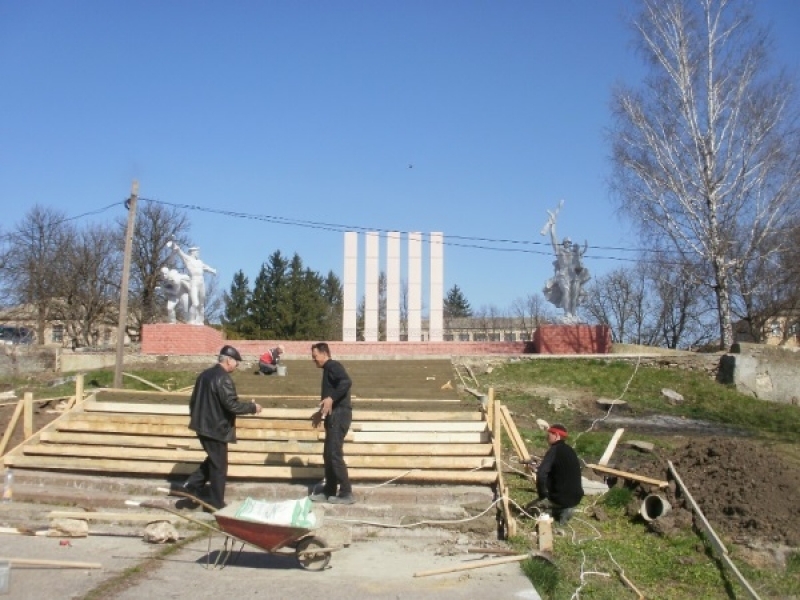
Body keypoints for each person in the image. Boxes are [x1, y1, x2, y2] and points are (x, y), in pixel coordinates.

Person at [180, 345, 262, 510]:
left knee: (214, 460)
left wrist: (196, 419)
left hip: (202, 425)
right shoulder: (223, 378)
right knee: (219, 467)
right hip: (215, 428)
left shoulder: (204, 375)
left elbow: (193, 401)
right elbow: (231, 405)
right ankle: (215, 503)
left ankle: (191, 485)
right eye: (236, 362)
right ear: (228, 360)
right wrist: (252, 408)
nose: (237, 365)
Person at [309, 342, 355, 505]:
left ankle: (346, 492)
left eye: (315, 357)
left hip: (340, 414)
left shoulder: (333, 366)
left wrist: (331, 398)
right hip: (333, 415)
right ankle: (329, 489)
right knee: (328, 454)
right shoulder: (328, 369)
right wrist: (320, 413)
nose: (314, 360)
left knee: (334, 454)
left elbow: (346, 382)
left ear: (324, 353)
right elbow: (331, 397)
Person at [528, 423, 584, 524]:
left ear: (557, 436)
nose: (547, 436)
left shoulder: (554, 450)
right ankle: (565, 509)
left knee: (529, 509)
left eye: (549, 434)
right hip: (575, 498)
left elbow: (541, 475)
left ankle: (556, 510)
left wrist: (542, 496)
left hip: (559, 498)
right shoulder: (571, 451)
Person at [166, 241, 216, 325]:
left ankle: (200, 320)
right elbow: (180, 253)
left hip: (201, 281)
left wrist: (213, 271)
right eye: (197, 252)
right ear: (193, 252)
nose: (198, 253)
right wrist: (174, 246)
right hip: (194, 281)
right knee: (195, 303)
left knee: (201, 302)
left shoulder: (200, 262)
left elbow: (206, 267)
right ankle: (191, 320)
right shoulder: (188, 259)